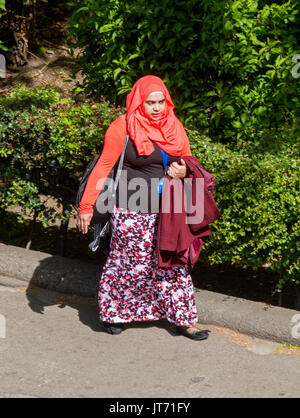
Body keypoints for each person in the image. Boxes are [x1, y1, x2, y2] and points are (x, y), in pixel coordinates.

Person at [77, 75, 210, 340]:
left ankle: (184, 319)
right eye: (151, 102)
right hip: (131, 208)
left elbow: (188, 160)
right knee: (129, 263)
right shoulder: (123, 127)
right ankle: (115, 313)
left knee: (173, 263)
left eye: (161, 102)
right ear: (139, 102)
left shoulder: (174, 126)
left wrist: (183, 170)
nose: (157, 108)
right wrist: (86, 205)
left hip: (168, 209)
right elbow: (104, 166)